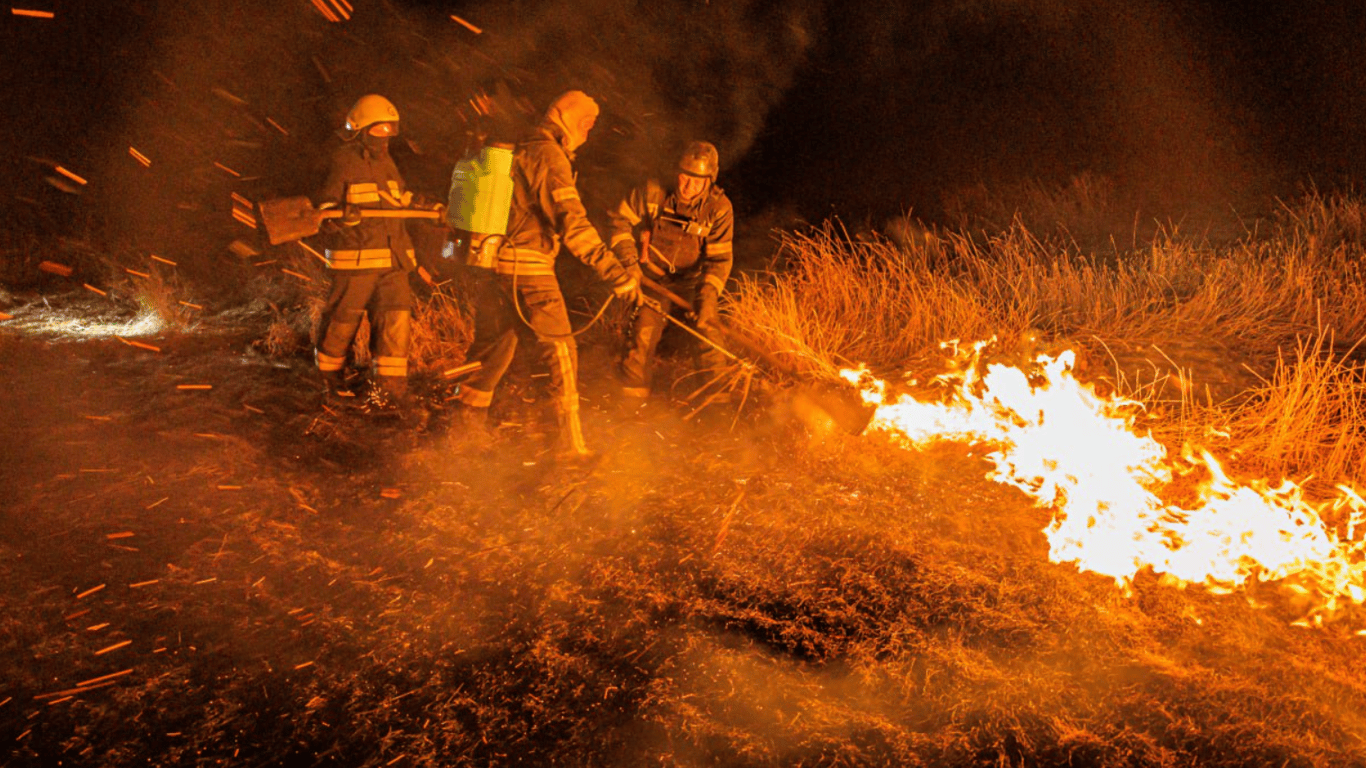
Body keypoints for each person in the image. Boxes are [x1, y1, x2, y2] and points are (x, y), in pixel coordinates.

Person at [451, 90, 642, 459]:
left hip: (494, 265)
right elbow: (573, 224)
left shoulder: (521, 145)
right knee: (560, 351)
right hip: (529, 267)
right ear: (567, 118)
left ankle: (462, 430)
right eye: (586, 124)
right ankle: (569, 445)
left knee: (494, 349)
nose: (587, 133)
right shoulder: (548, 154)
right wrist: (614, 272)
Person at [314, 94, 434, 414]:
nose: (385, 137)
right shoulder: (343, 160)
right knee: (342, 322)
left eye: (389, 130)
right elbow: (325, 208)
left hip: (395, 260)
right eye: (378, 130)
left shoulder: (387, 162)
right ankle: (330, 382)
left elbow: (398, 197)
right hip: (357, 260)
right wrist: (340, 215)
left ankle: (389, 391)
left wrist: (423, 204)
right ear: (359, 130)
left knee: (395, 324)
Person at [607, 141, 735, 399]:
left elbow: (719, 259)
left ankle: (718, 403)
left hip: (692, 283)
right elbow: (618, 221)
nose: (689, 187)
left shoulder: (719, 208)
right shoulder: (652, 192)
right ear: (677, 172)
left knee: (709, 335)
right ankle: (630, 403)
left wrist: (708, 298)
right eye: (685, 178)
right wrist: (630, 264)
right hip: (653, 279)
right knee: (643, 335)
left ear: (710, 180)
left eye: (697, 182)